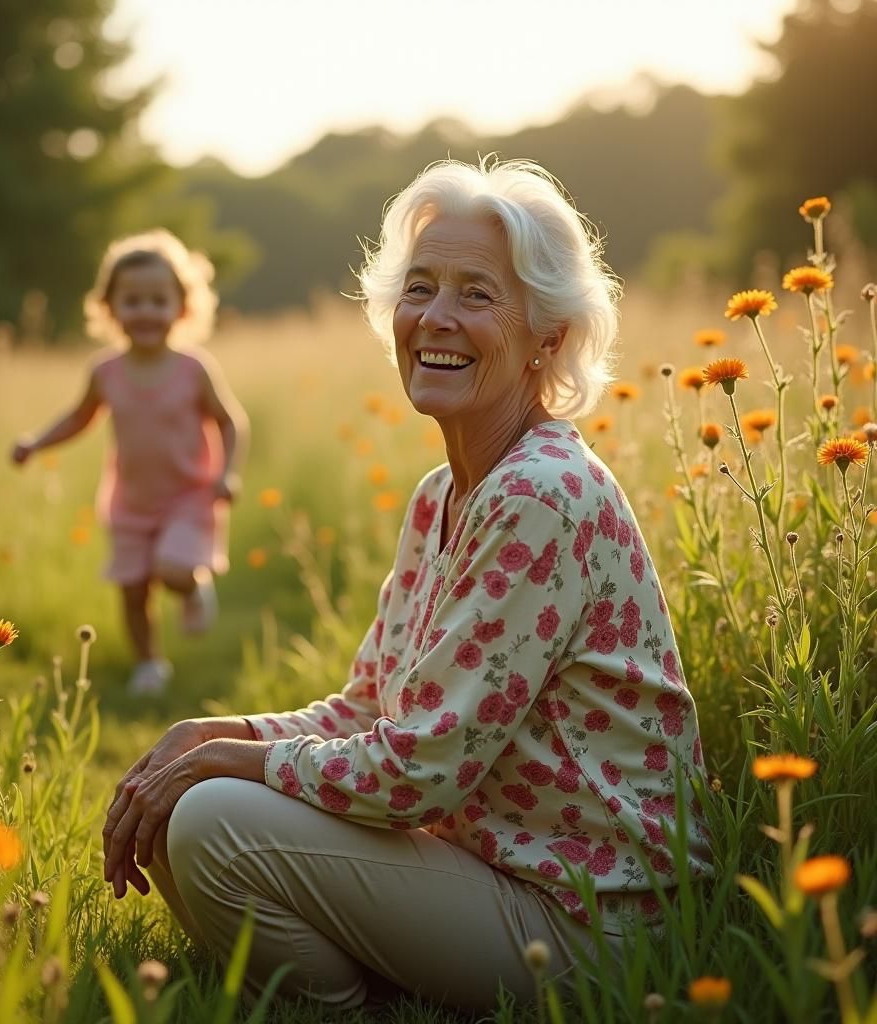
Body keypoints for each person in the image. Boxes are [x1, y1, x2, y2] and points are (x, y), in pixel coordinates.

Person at [101, 160, 713, 1010]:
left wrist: (230, 762)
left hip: (588, 926)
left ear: (550, 336)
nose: (435, 317)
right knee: (186, 799)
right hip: (490, 873)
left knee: (209, 815)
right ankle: (390, 999)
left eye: (476, 294)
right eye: (419, 287)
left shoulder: (542, 495)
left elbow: (421, 769)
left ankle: (353, 1008)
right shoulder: (444, 495)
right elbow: (372, 708)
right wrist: (215, 730)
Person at [12, 229, 248, 696]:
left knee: (171, 569)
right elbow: (80, 417)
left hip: (189, 494)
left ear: (181, 307)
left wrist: (227, 473)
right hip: (131, 501)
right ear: (109, 307)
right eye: (133, 300)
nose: (145, 311)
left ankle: (191, 587)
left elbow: (230, 421)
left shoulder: (192, 368)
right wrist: (37, 443)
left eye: (158, 300)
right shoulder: (106, 371)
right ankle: (148, 665)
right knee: (133, 589)